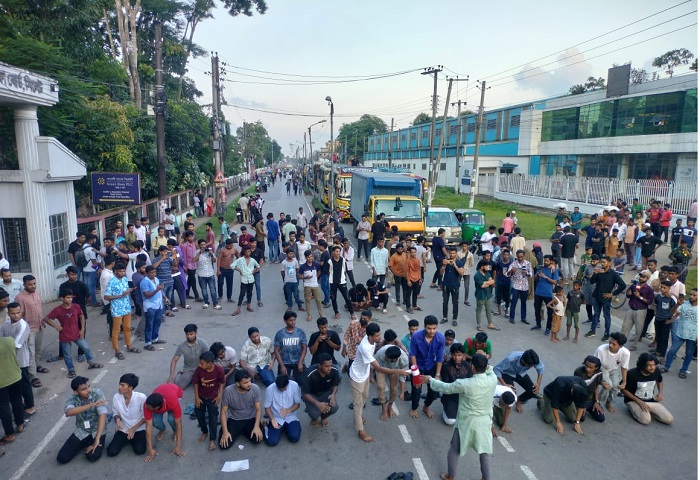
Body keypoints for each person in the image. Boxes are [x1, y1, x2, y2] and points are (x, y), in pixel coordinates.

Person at [421, 354, 496, 480]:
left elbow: (446, 388)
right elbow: (491, 369)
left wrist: (430, 380)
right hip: (484, 422)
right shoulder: (492, 379)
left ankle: (450, 476)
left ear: (472, 367)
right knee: (484, 452)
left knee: (455, 449)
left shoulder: (465, 383)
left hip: (466, 422)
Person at [349, 322, 407, 443]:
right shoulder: (365, 347)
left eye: (379, 334)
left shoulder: (371, 339)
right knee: (358, 404)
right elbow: (378, 368)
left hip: (364, 374)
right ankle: (361, 431)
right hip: (357, 377)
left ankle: (359, 416)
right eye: (377, 336)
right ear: (370, 336)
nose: (379, 338)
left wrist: (399, 344)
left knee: (364, 397)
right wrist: (398, 371)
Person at [44, 289, 103, 378]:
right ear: (62, 298)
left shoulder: (76, 306)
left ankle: (91, 363)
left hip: (77, 333)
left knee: (86, 348)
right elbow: (46, 318)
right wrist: (55, 326)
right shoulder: (58, 310)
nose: (70, 299)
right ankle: (71, 370)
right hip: (64, 335)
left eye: (71, 297)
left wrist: (82, 329)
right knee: (67, 355)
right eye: (68, 298)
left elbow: (81, 316)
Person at [56, 376, 108, 464]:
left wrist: (97, 439)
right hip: (83, 430)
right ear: (76, 392)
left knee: (92, 456)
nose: (88, 390)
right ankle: (86, 442)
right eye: (84, 389)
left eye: (89, 386)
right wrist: (91, 405)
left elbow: (102, 415)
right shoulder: (72, 399)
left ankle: (92, 441)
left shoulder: (97, 393)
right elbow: (69, 412)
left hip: (97, 430)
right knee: (62, 458)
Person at [409, 315, 445, 419]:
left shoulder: (440, 338)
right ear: (424, 326)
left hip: (431, 365)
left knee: (434, 391)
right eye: (429, 328)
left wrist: (437, 375)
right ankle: (414, 408)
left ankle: (426, 406)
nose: (432, 331)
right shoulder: (416, 336)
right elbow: (412, 354)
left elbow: (440, 357)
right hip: (417, 365)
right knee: (416, 389)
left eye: (434, 328)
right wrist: (416, 374)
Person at [622, 352, 673, 425]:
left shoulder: (656, 371)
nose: (652, 367)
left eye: (654, 365)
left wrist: (660, 393)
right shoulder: (632, 374)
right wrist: (639, 402)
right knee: (645, 420)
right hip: (633, 401)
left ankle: (647, 412)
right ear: (642, 365)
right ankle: (634, 410)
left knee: (669, 419)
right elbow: (623, 389)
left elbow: (660, 381)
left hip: (650, 401)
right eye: (649, 365)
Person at [1, 303, 34, 416]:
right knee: (16, 385)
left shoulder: (23, 325)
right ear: (8, 313)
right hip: (10, 359)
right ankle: (19, 405)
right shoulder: (5, 324)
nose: (16, 315)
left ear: (21, 312)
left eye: (18, 312)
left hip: (21, 359)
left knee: (25, 383)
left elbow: (15, 345)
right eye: (13, 313)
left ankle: (30, 406)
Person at [585, 255, 626, 341]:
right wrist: (595, 273)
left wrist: (612, 294)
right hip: (597, 296)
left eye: (604, 262)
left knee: (606, 316)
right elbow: (592, 281)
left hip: (606, 298)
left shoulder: (613, 274)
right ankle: (592, 331)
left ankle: (607, 334)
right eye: (601, 262)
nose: (602, 264)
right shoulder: (599, 272)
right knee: (596, 314)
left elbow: (623, 285)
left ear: (609, 263)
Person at [104, 263, 139, 359]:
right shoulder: (111, 282)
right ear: (115, 271)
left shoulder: (124, 279)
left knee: (127, 328)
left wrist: (130, 290)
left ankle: (129, 346)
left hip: (126, 307)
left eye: (123, 271)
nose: (122, 273)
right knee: (116, 330)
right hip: (117, 309)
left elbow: (125, 291)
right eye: (120, 271)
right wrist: (121, 295)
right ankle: (116, 350)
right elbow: (106, 297)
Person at [107, 373, 147, 457]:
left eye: (122, 385)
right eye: (119, 384)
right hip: (124, 429)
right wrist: (118, 419)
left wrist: (133, 429)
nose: (119, 387)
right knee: (111, 451)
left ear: (130, 387)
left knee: (140, 450)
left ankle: (132, 438)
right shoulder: (116, 397)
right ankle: (128, 438)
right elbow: (115, 413)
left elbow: (145, 417)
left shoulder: (141, 397)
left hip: (138, 428)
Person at [193, 351, 225, 452]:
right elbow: (195, 383)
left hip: (213, 398)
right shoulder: (198, 370)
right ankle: (204, 432)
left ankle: (212, 439)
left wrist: (219, 396)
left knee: (213, 418)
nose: (199, 365)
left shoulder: (219, 370)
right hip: (201, 397)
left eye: (202, 363)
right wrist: (196, 397)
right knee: (199, 416)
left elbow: (222, 382)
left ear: (210, 363)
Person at [493, 349, 544, 413]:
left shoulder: (533, 360)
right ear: (523, 361)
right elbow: (496, 369)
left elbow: (540, 368)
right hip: (507, 374)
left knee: (532, 391)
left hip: (521, 373)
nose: (532, 367)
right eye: (530, 366)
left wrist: (538, 383)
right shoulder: (510, 359)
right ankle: (501, 404)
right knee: (511, 393)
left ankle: (519, 401)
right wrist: (505, 385)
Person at [144, 383, 185, 461]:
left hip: (174, 394)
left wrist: (178, 447)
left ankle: (175, 431)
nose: (146, 407)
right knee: (155, 421)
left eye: (148, 408)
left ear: (156, 408)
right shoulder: (147, 404)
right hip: (164, 395)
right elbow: (148, 426)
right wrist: (150, 449)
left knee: (172, 419)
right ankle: (162, 429)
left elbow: (178, 423)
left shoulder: (173, 402)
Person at [662, 288, 697, 378]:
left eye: (694, 295)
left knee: (689, 354)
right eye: (691, 294)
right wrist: (677, 305)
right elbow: (674, 313)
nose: (691, 296)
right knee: (672, 351)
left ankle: (683, 370)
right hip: (680, 333)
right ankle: (666, 366)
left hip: (693, 336)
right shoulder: (684, 304)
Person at [301, 353, 340, 427]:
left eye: (330, 365)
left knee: (334, 408)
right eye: (326, 366)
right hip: (312, 394)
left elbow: (335, 385)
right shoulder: (310, 373)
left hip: (326, 393)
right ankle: (314, 418)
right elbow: (305, 393)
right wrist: (317, 403)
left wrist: (333, 394)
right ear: (319, 366)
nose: (329, 368)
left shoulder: (334, 370)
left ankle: (323, 417)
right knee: (314, 414)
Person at [595, 332, 630, 413]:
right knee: (608, 385)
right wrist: (599, 380)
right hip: (601, 367)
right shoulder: (601, 349)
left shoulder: (626, 353)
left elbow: (624, 367)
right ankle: (597, 401)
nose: (610, 345)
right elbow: (595, 365)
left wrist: (624, 381)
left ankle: (609, 403)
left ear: (620, 346)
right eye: (610, 342)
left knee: (616, 386)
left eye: (614, 344)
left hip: (613, 369)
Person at [263, 374, 302, 446]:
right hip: (276, 417)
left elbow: (297, 404)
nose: (281, 391)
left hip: (290, 416)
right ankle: (265, 425)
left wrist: (289, 410)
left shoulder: (294, 385)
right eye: (279, 389)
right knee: (271, 442)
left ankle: (286, 428)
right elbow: (267, 408)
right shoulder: (270, 389)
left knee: (294, 437)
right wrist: (272, 419)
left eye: (284, 389)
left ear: (288, 383)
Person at [168, 324, 209, 389]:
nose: (189, 336)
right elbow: (174, 360)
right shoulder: (181, 346)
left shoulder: (203, 343)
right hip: (189, 369)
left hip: (202, 368)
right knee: (180, 386)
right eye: (187, 334)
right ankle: (180, 374)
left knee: (206, 384)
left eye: (191, 334)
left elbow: (209, 357)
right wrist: (171, 375)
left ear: (196, 333)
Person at [440, 343, 472, 426]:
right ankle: (446, 407)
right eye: (454, 355)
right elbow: (446, 386)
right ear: (451, 355)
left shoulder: (467, 366)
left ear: (463, 355)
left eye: (459, 355)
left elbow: (470, 382)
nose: (457, 358)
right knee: (450, 421)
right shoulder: (446, 366)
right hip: (451, 396)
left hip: (464, 396)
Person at [0, 336, 23, 446]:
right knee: (17, 401)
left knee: (4, 408)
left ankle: (10, 434)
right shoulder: (10, 340)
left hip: (2, 382)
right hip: (16, 376)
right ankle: (20, 425)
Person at [273, 311, 308, 384]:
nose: (293, 322)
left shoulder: (300, 332)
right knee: (283, 383)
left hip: (298, 361)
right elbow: (276, 350)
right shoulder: (280, 333)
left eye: (294, 320)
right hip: (285, 362)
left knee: (304, 382)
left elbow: (304, 348)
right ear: (285, 321)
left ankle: (295, 374)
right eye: (290, 320)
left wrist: (300, 362)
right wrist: (282, 366)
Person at [573, 356, 606, 423]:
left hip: (591, 399)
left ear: (596, 368)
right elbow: (576, 390)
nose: (587, 369)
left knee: (601, 418)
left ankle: (589, 408)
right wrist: (582, 405)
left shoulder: (599, 373)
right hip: (581, 399)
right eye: (586, 366)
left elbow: (596, 387)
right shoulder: (579, 372)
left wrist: (596, 401)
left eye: (591, 367)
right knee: (581, 418)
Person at [532, 255, 559, 335]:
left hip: (547, 293)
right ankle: (538, 324)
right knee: (537, 309)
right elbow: (535, 278)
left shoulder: (554, 270)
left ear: (551, 261)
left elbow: (555, 282)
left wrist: (545, 277)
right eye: (545, 260)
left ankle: (548, 328)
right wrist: (537, 275)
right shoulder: (541, 268)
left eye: (547, 261)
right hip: (538, 292)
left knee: (549, 312)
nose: (545, 262)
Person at [231, 247, 260, 315]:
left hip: (251, 279)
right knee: (242, 294)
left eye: (249, 252)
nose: (248, 253)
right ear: (244, 252)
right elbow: (232, 266)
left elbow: (258, 266)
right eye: (247, 252)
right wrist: (239, 270)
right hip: (244, 279)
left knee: (250, 293)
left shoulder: (252, 260)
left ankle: (248, 306)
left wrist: (254, 270)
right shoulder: (240, 260)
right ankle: (238, 309)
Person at [299, 250, 323, 322]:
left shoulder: (316, 264)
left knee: (318, 300)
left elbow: (319, 271)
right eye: (308, 257)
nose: (310, 258)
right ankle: (309, 315)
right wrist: (305, 277)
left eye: (311, 257)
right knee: (307, 300)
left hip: (315, 284)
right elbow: (299, 276)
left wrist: (316, 277)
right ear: (306, 258)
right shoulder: (303, 267)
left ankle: (321, 314)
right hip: (307, 285)